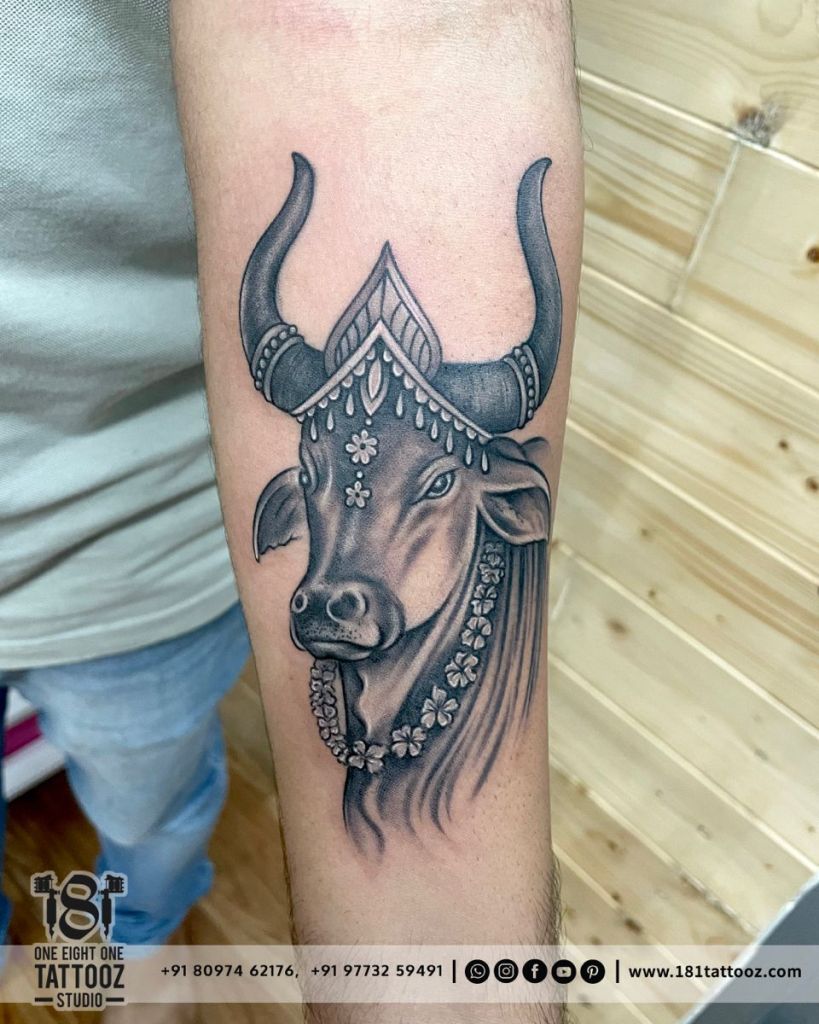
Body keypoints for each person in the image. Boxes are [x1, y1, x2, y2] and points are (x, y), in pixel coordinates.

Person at [3, 2, 582, 1020]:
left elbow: (404, 45)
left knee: (148, 802)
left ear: (507, 503)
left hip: (128, 554)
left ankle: (141, 943)